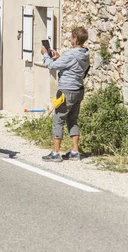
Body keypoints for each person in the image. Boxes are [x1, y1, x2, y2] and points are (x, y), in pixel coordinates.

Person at [41, 27, 90, 162]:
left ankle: (56, 153)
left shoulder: (70, 54)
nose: (70, 39)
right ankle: (75, 151)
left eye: (71, 37)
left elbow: (51, 65)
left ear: (75, 39)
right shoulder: (85, 54)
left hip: (66, 90)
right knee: (72, 119)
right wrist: (60, 57)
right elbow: (74, 65)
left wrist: (45, 54)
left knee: (58, 120)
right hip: (78, 90)